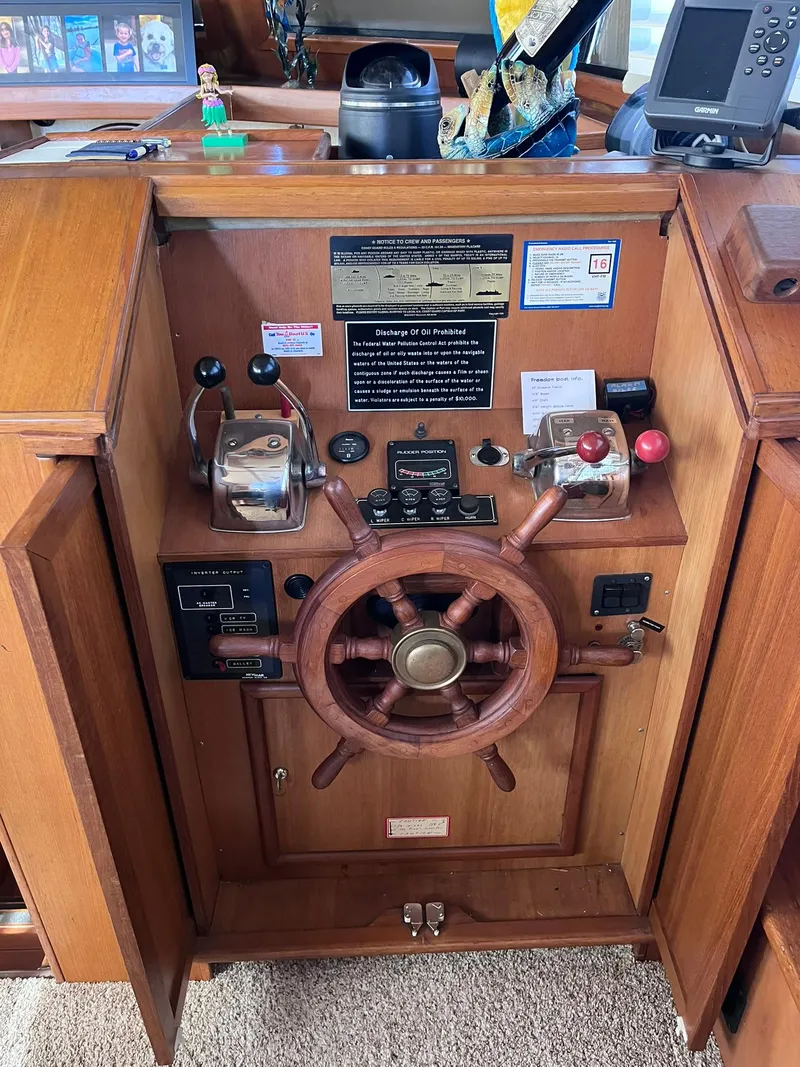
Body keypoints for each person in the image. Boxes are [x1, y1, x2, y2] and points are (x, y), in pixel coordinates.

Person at [196, 63, 234, 133]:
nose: (207, 78)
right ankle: (219, 132)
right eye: (204, 76)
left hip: (216, 104)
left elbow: (220, 92)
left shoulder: (214, 84)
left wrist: (228, 91)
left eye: (208, 75)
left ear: (213, 75)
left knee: (221, 119)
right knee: (214, 121)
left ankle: (228, 129)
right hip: (208, 105)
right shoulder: (203, 86)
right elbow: (202, 95)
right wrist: (210, 94)